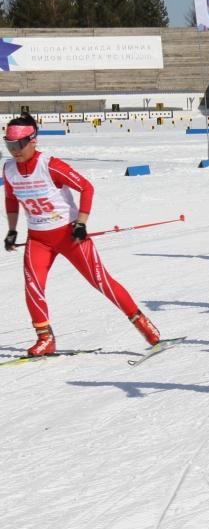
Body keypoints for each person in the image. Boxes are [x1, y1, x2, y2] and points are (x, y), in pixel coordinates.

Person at [2, 113, 161, 356]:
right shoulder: (9, 169)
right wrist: (12, 230)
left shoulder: (50, 165)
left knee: (101, 281)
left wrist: (81, 223)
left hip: (69, 235)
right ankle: (45, 338)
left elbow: (86, 187)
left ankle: (142, 323)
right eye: (9, 144)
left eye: (19, 144)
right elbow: (11, 199)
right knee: (33, 286)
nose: (14, 150)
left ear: (33, 140)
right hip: (38, 239)